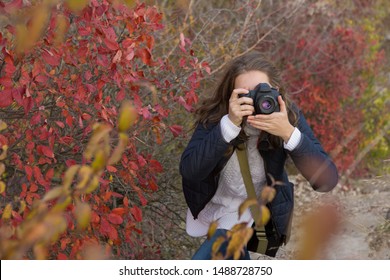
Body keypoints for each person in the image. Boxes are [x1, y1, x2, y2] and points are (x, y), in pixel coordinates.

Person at [179, 51, 338, 260]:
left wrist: (288, 133)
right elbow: (190, 170)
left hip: (249, 209)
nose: (256, 100)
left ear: (277, 91)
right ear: (232, 95)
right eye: (246, 93)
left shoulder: (288, 116)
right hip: (214, 205)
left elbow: (327, 181)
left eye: (262, 91)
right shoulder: (218, 116)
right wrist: (228, 126)